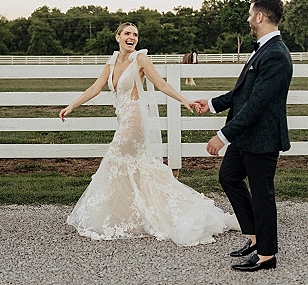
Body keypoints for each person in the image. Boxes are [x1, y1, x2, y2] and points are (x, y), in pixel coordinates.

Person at [60, 22, 239, 246]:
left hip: (135, 119)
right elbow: (95, 87)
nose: (131, 37)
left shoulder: (140, 59)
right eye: (127, 33)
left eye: (135, 34)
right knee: (137, 167)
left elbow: (161, 84)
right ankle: (131, 214)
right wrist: (72, 106)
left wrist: (185, 101)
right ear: (118, 37)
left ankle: (116, 215)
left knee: (115, 160)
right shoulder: (112, 61)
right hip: (122, 117)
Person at [195, 0, 292, 271]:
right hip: (246, 136)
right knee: (228, 177)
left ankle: (267, 255)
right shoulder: (263, 49)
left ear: (260, 16)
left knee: (262, 194)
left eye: (251, 14)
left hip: (261, 138)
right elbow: (243, 93)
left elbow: (256, 106)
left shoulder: (276, 55)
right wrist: (213, 103)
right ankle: (253, 237)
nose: (249, 19)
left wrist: (223, 135)